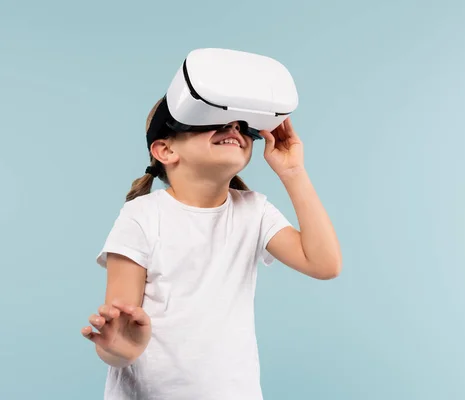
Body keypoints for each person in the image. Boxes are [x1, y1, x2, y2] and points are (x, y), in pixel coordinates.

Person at [80, 98, 342, 399]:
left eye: (241, 125)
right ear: (165, 150)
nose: (232, 127)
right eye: (210, 121)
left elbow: (325, 264)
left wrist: (293, 172)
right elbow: (120, 335)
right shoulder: (141, 215)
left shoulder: (254, 210)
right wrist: (121, 349)